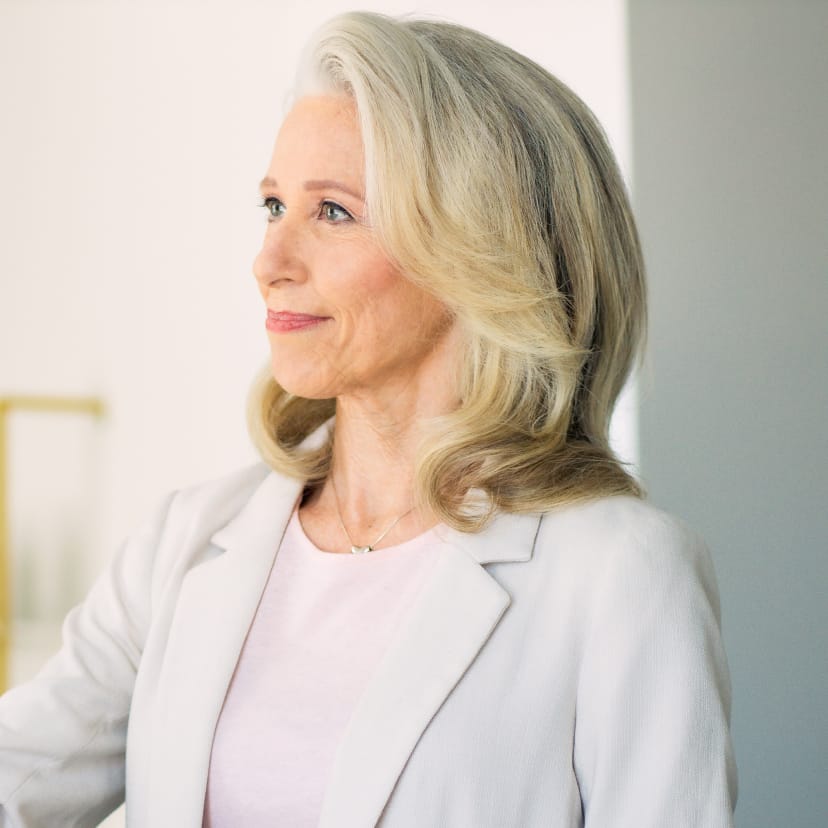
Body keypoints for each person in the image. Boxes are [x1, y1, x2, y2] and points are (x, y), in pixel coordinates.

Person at [0, 11, 737, 827]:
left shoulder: (620, 576)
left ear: (480, 248)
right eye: (273, 206)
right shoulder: (184, 544)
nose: (268, 263)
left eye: (334, 213)